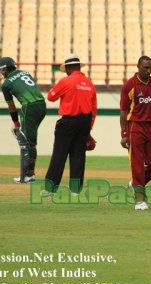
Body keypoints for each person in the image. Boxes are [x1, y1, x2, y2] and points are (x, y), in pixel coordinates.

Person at [120, 55, 151, 210]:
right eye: (146, 68)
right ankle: (140, 200)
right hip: (135, 127)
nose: (149, 70)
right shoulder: (130, 86)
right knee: (137, 165)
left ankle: (135, 183)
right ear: (138, 67)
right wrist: (124, 134)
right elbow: (123, 112)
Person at [44, 54, 97, 194]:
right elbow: (94, 109)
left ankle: (50, 188)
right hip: (85, 122)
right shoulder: (89, 83)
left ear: (68, 68)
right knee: (78, 155)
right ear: (79, 67)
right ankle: (75, 189)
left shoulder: (66, 81)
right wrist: (89, 129)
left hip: (68, 122)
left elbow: (50, 97)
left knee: (59, 154)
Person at [0, 56, 46, 183]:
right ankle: (29, 174)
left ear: (4, 69)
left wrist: (16, 124)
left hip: (29, 107)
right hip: (42, 105)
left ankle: (25, 176)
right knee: (30, 143)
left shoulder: (6, 84)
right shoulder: (25, 72)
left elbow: (11, 107)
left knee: (25, 142)